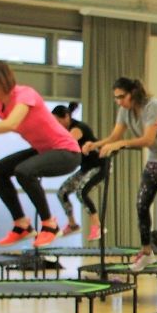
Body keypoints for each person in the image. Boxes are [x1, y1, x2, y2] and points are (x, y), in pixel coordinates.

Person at [82, 77, 157, 272]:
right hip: (156, 157)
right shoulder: (125, 111)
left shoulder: (152, 106)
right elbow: (115, 137)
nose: (119, 101)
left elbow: (147, 139)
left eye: (122, 96)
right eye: (116, 98)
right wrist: (95, 145)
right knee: (141, 203)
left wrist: (122, 144)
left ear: (133, 93)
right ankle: (147, 252)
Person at [0, 60, 81, 248]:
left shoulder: (24, 94)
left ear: (3, 80)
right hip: (43, 151)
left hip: (67, 152)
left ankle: (49, 225)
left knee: (24, 171)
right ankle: (22, 224)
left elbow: (10, 124)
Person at [52, 103, 108, 241]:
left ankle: (98, 226)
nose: (57, 125)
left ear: (66, 117)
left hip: (100, 165)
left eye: (58, 122)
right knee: (62, 192)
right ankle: (72, 225)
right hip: (86, 167)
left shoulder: (77, 128)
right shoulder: (67, 128)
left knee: (81, 192)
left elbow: (64, 143)